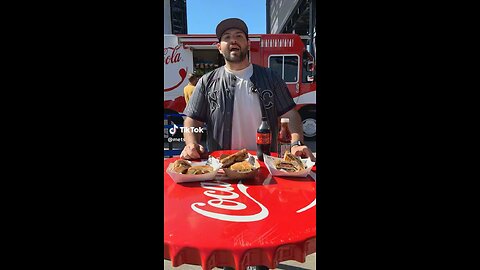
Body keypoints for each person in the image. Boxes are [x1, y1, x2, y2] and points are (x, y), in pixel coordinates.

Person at [180, 18, 316, 162]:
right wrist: (191, 144)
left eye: (239, 36)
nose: (233, 40)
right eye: (227, 37)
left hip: (266, 164)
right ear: (219, 47)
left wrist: (296, 143)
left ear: (248, 44)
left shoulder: (271, 77)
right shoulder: (207, 82)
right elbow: (192, 120)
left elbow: (290, 115)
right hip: (221, 166)